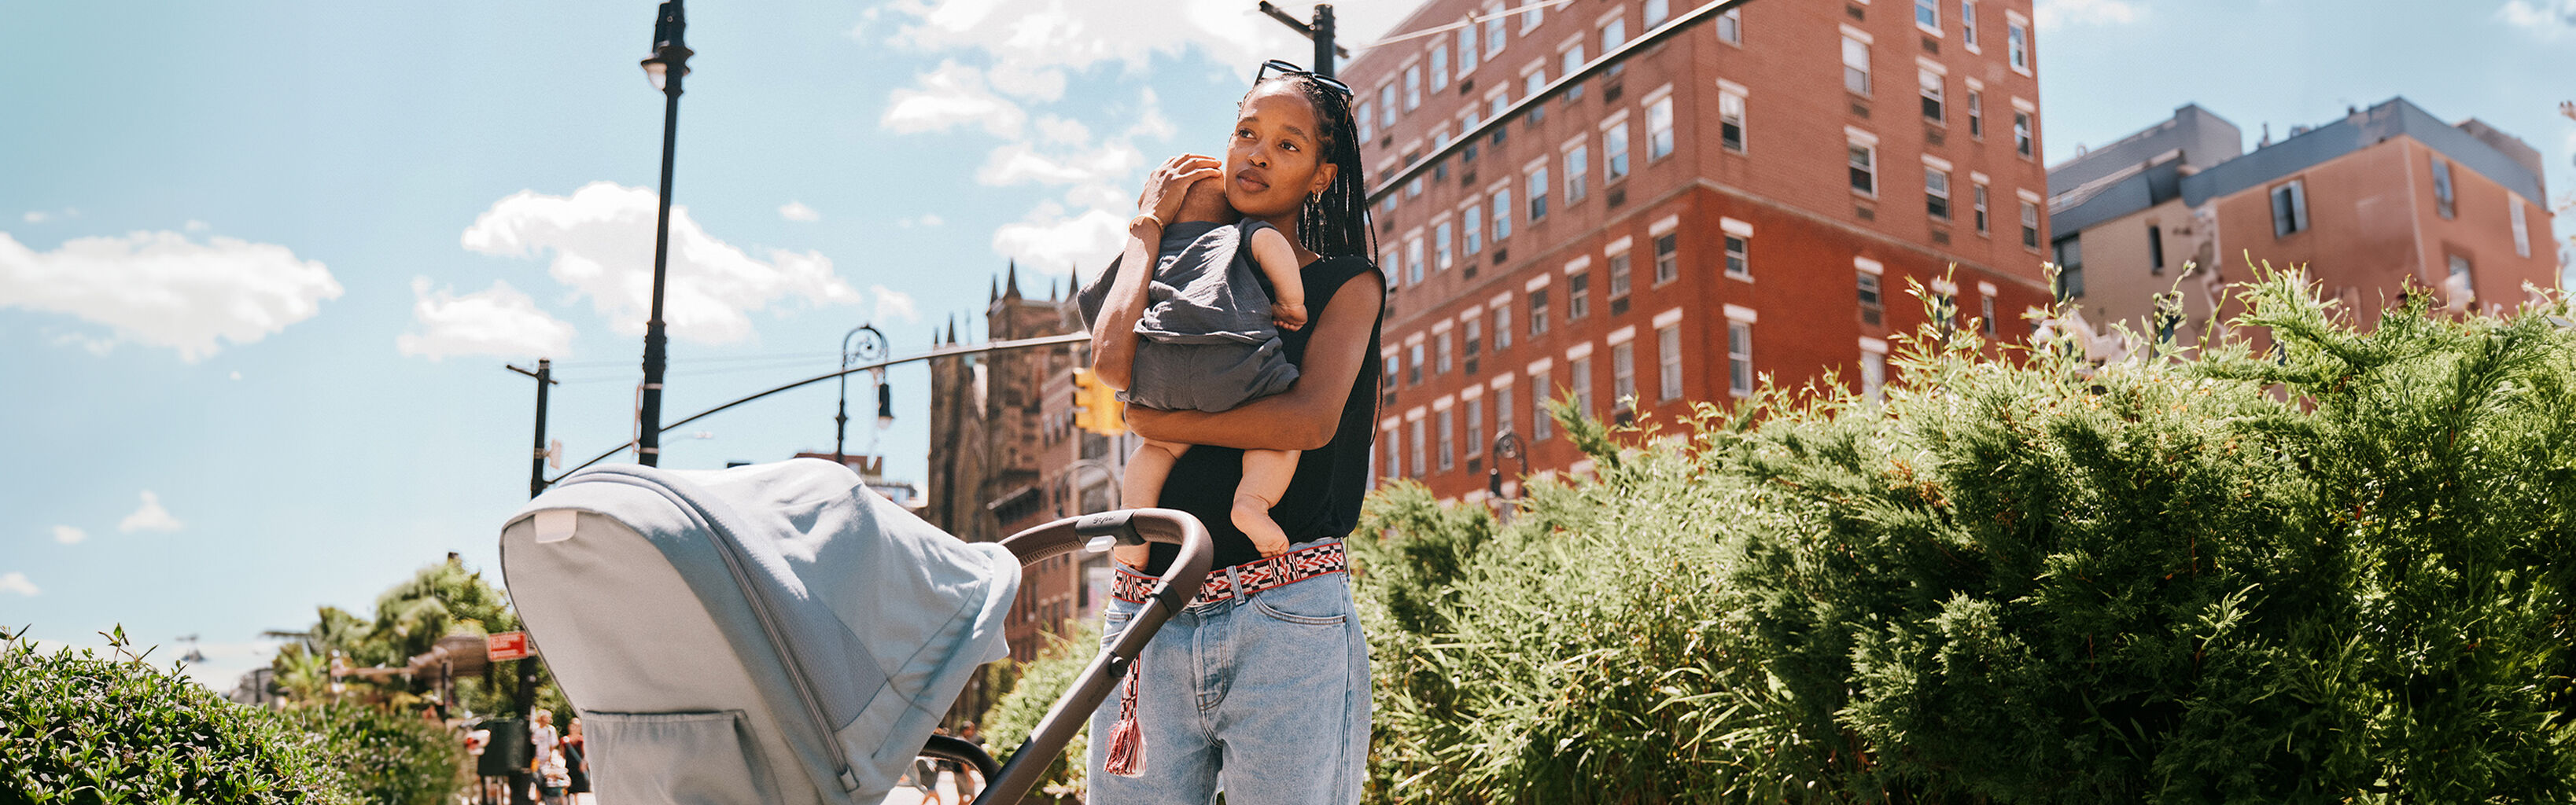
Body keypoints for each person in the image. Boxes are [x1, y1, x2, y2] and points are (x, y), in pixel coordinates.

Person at [1078, 58, 1384, 805]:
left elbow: (1307, 421)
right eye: (1246, 133)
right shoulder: (1173, 274)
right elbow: (1110, 362)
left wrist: (1158, 421)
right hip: (1149, 608)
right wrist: (1147, 227)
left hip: (1286, 613)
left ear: (1321, 176)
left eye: (1287, 144)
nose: (1257, 154)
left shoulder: (1345, 284)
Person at [1099, 175, 1313, 557]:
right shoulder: (1238, 234)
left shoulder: (1152, 253)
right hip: (1232, 363)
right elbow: (1272, 246)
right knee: (1278, 437)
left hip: (1160, 374)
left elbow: (1103, 304)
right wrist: (1291, 303)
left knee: (1155, 449)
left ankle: (1133, 526)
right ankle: (1251, 503)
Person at [529, 709, 567, 805]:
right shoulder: (534, 729)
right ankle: (537, 801)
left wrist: (550, 758)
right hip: (535, 760)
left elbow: (553, 746)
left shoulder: (550, 730)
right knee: (535, 781)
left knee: (545, 783)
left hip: (546, 761)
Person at [562, 717, 589, 804]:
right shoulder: (564, 740)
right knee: (566, 791)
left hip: (578, 768)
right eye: (574, 725)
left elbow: (585, 754)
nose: (575, 728)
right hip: (568, 768)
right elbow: (562, 755)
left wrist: (584, 764)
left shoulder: (582, 741)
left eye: (578, 726)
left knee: (577, 792)